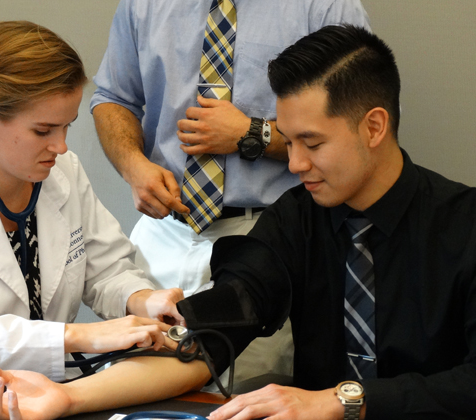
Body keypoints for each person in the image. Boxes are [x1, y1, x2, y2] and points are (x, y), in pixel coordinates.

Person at [0, 25, 476, 419]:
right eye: (288, 141)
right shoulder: (298, 218)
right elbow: (213, 331)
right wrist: (66, 398)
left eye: (312, 143)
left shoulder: (465, 225)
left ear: (374, 127)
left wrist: (343, 401)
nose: (293, 164)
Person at [0, 20, 185, 381]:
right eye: (43, 130)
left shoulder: (62, 172)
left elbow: (106, 269)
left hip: (42, 390)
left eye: (67, 125)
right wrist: (77, 336)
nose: (60, 146)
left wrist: (142, 299)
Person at [90, 0, 371, 382]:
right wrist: (133, 166)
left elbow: (356, 126)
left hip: (266, 242)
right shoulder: (143, 5)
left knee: (239, 399)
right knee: (128, 386)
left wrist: (252, 134)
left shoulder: (324, 6)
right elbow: (113, 98)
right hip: (162, 233)